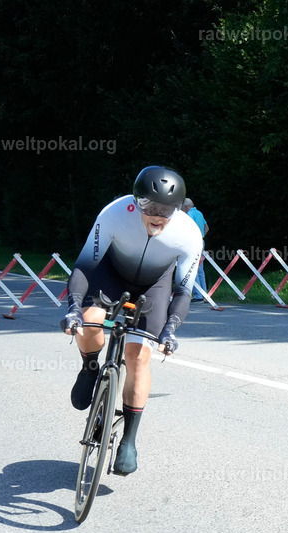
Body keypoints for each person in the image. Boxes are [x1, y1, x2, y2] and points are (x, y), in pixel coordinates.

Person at [61, 166, 202, 475]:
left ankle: (129, 439)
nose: (156, 215)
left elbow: (183, 290)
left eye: (166, 210)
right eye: (148, 206)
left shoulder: (189, 233)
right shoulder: (114, 213)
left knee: (139, 356)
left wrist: (170, 328)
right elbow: (84, 266)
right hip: (110, 274)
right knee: (89, 319)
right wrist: (73, 308)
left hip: (154, 285)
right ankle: (90, 366)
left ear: (178, 209)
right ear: (136, 200)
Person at [183, 197, 209, 300]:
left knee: (192, 268)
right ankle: (204, 293)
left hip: (192, 243)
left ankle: (198, 295)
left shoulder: (188, 214)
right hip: (201, 242)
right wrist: (201, 236)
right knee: (200, 269)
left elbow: (187, 229)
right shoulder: (199, 213)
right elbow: (206, 227)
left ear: (185, 206)